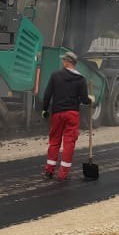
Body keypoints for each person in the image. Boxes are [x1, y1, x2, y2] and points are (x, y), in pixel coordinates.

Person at [41, 51, 91, 181]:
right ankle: (62, 175)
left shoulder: (55, 75)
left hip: (57, 113)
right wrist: (91, 100)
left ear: (67, 62)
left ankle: (49, 171)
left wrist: (45, 109)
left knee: (54, 142)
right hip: (72, 114)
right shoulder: (81, 79)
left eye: (63, 60)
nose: (62, 62)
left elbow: (47, 95)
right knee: (69, 143)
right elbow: (84, 100)